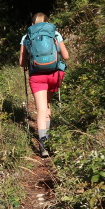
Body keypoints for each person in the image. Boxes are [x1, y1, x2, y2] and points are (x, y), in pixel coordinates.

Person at [19, 12, 70, 157]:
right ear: (47, 23)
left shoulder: (26, 37)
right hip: (55, 74)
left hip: (37, 76)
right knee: (47, 105)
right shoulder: (55, 34)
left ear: (32, 23)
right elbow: (66, 56)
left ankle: (43, 145)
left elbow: (22, 63)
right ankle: (48, 140)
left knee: (41, 109)